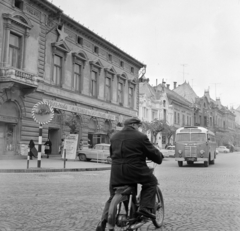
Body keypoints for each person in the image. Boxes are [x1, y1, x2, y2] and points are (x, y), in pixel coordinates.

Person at [96, 117, 164, 231]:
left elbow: (112, 154)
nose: (139, 128)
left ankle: (102, 222)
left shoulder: (114, 137)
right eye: (138, 126)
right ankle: (145, 208)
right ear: (134, 125)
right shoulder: (140, 137)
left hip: (116, 172)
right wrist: (159, 156)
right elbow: (152, 152)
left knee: (113, 195)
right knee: (152, 182)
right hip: (135, 170)